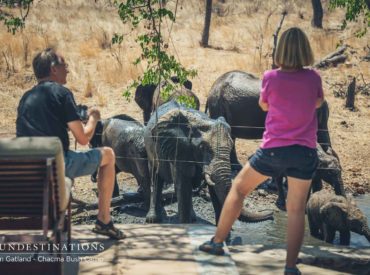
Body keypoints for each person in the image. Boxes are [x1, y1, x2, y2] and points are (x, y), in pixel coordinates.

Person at [199, 27, 324, 275]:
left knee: (239, 189)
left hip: (273, 151)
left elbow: (263, 104)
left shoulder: (270, 77)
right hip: (305, 152)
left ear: (280, 52)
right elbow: (318, 102)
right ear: (306, 50)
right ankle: (290, 266)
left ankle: (217, 242)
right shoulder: (314, 78)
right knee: (297, 208)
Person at [16, 48, 125, 240]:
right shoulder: (62, 94)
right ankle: (104, 220)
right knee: (108, 155)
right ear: (53, 69)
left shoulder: (26, 98)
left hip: (29, 172)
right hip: (58, 167)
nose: (67, 69)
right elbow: (84, 139)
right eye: (64, 65)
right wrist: (93, 117)